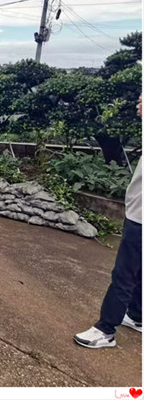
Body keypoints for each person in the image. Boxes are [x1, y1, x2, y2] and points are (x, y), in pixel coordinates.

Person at [74, 96, 142, 348]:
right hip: (137, 213)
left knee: (124, 275)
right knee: (139, 271)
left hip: (141, 219)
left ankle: (105, 330)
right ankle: (137, 315)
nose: (138, 103)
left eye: (142, 99)